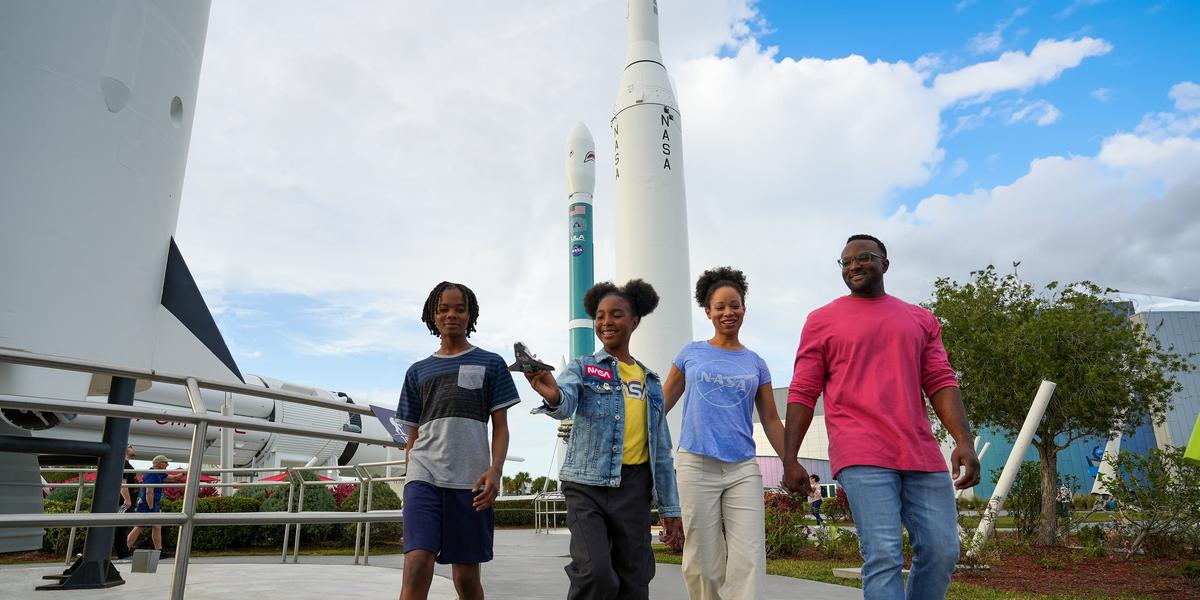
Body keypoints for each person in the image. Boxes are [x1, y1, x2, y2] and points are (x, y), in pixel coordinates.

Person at [782, 234, 981, 600]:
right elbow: (803, 391)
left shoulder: (920, 319)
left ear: (885, 264)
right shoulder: (822, 321)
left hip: (920, 453)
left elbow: (940, 381)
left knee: (941, 552)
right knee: (884, 554)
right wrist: (789, 457)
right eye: (845, 261)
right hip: (861, 452)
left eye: (864, 258)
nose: (854, 265)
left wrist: (963, 442)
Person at [527, 280, 683, 600]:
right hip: (587, 486)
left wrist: (671, 508)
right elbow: (565, 400)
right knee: (596, 573)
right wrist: (552, 393)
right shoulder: (583, 368)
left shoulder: (650, 382)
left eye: (616, 315)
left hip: (634, 488)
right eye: (600, 316)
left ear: (634, 321)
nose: (606, 322)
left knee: (634, 579)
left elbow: (662, 453)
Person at [661, 267, 784, 600]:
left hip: (742, 468)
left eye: (735, 305)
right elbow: (659, 406)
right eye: (720, 307)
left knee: (750, 556)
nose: (729, 312)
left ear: (744, 307)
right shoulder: (691, 353)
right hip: (696, 464)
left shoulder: (756, 363)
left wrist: (792, 460)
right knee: (703, 560)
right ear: (708, 311)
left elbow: (771, 419)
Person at [396, 281, 518, 600]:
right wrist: (410, 480)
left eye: (459, 309)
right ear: (432, 316)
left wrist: (495, 470)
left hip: (470, 482)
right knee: (417, 563)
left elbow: (501, 426)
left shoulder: (492, 364)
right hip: (423, 476)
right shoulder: (416, 372)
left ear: (470, 314)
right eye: (443, 309)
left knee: (465, 578)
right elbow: (412, 435)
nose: (451, 314)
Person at [126, 454, 181, 555]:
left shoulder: (159, 473)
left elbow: (174, 479)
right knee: (139, 526)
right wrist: (151, 507)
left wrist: (186, 472)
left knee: (156, 526)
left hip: (152, 504)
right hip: (147, 504)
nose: (167, 464)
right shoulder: (152, 474)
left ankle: (158, 550)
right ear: (159, 464)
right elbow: (149, 492)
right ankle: (126, 548)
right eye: (165, 462)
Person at [112, 444, 137, 561]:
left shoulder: (125, 463)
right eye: (130, 446)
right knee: (121, 527)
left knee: (123, 527)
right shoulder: (124, 464)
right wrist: (127, 499)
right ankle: (123, 553)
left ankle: (123, 551)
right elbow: (123, 482)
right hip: (124, 502)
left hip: (125, 501)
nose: (133, 447)